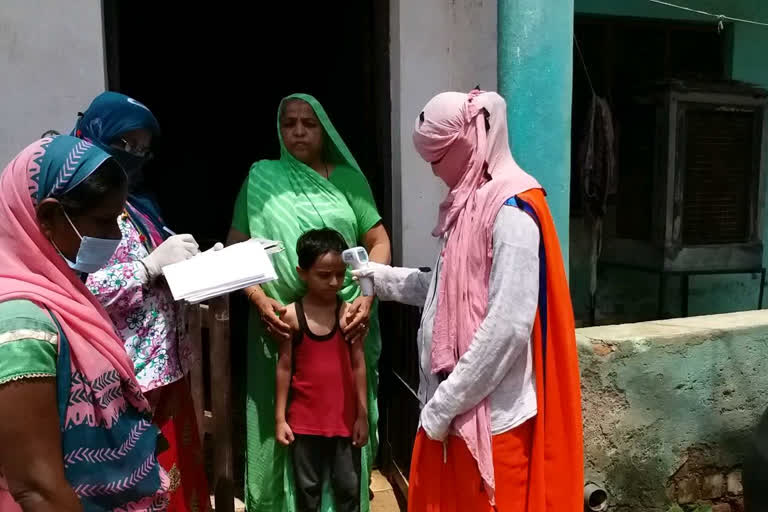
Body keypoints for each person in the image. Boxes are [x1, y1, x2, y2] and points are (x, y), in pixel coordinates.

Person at [353, 90, 584, 511]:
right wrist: (381, 278)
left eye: (437, 161)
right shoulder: (469, 204)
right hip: (456, 415)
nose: (436, 174)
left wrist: (443, 406)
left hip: (493, 425)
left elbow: (506, 327)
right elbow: (446, 291)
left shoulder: (512, 210)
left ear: (466, 143)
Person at [227, 93, 391, 511]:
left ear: (325, 130)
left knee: (345, 423)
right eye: (289, 123)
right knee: (280, 423)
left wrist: (368, 298)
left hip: (347, 320)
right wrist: (259, 300)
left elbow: (378, 240)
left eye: (308, 123)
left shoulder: (349, 181)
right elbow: (236, 247)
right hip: (280, 326)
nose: (298, 131)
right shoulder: (261, 179)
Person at [0, 135, 169, 511]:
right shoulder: (20, 325)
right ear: (47, 217)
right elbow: (37, 489)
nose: (115, 237)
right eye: (104, 222)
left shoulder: (65, 292)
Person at [73, 92, 210, 511]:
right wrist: (146, 269)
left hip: (167, 366)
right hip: (122, 376)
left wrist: (202, 265)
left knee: (177, 478)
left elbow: (159, 274)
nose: (136, 155)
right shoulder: (76, 207)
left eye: (144, 148)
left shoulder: (140, 206)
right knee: (141, 484)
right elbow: (78, 289)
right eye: (125, 144)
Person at [275, 228, 368, 512]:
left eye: (340, 274)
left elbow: (358, 364)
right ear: (302, 272)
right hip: (303, 423)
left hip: (345, 423)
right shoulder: (291, 315)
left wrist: (362, 415)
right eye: (324, 274)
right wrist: (280, 418)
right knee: (307, 493)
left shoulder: (350, 314)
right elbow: (284, 366)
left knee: (349, 490)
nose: (334, 282)